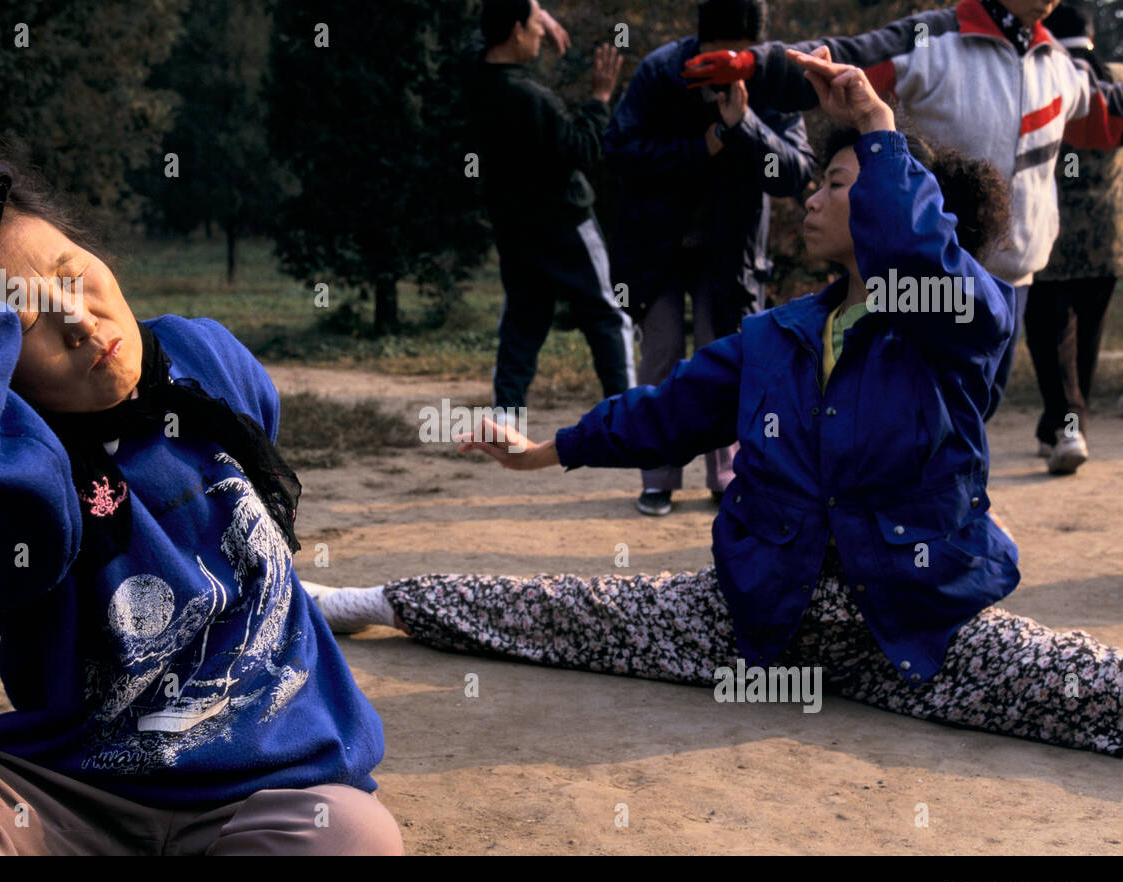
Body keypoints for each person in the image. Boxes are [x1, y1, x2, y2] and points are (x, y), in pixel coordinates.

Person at [303, 51, 1122, 759]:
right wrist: (541, 450)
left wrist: (877, 125)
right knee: (555, 611)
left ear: (894, 204)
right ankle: (358, 601)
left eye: (837, 185)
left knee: (1091, 689)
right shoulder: (777, 335)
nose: (809, 198)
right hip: (763, 622)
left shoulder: (960, 320)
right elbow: (667, 412)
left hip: (912, 627)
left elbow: (919, 252)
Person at [0, 141, 403, 855]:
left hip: (267, 801)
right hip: (73, 804)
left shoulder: (209, 360)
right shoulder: (20, 478)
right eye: (25, 322)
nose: (77, 321)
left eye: (71, 273)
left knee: (351, 834)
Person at [680, 0, 1123, 437]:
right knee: (909, 417)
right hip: (925, 269)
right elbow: (841, 61)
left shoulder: (1059, 64)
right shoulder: (935, 38)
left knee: (969, 418)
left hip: (1013, 277)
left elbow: (1109, 119)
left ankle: (954, 509)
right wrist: (757, 65)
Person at [603, 0, 816, 515]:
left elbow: (795, 173)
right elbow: (618, 150)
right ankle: (657, 477)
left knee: (726, 358)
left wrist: (743, 126)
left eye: (739, 59)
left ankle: (727, 477)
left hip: (733, 250)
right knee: (662, 354)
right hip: (658, 249)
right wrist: (702, 147)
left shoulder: (771, 78)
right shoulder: (660, 72)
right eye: (715, 56)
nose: (725, 68)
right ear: (697, 42)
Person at [468, 0, 637, 416]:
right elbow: (581, 150)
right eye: (534, 24)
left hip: (514, 228)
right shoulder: (531, 98)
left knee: (522, 325)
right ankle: (628, 420)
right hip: (565, 223)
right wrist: (599, 98)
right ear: (515, 31)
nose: (542, 32)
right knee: (608, 319)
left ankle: (506, 425)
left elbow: (487, 33)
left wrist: (534, 12)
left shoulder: (476, 79)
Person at [1026, 1, 1119, 473]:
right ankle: (1057, 426)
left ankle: (1068, 428)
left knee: (1052, 339)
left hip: (1049, 243)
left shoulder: (1045, 82)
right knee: (1084, 344)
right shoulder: (1114, 83)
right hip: (1106, 244)